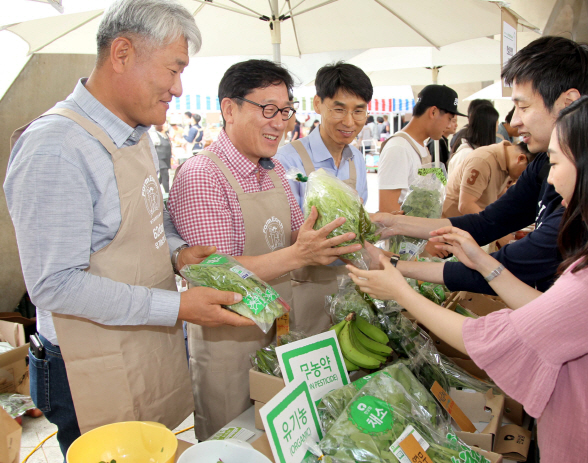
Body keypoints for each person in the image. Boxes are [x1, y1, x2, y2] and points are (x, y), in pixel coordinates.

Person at [350, 92, 588, 463]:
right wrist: (485, 265)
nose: (550, 177)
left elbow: (486, 339)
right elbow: (548, 311)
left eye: (555, 162)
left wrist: (401, 291)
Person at [3, 0, 255, 457]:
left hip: (142, 343)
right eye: (173, 69)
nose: (179, 89)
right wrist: (176, 305)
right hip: (85, 367)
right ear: (122, 54)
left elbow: (143, 222)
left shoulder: (134, 134)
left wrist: (176, 252)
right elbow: (54, 285)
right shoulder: (55, 148)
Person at [167, 59, 361, 440]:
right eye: (267, 109)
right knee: (237, 444)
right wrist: (299, 255)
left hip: (279, 336)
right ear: (229, 109)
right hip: (230, 346)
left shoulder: (271, 169)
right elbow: (217, 274)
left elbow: (293, 234)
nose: (280, 122)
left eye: (285, 111)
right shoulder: (202, 175)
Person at [371, 36, 588, 294]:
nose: (514, 122)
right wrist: (391, 224)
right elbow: (487, 223)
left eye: (523, 106)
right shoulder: (543, 165)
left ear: (569, 102)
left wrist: (392, 264)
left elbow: (499, 270)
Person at [275, 62, 372, 335]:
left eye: (359, 111)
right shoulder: (288, 160)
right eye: (339, 109)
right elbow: (281, 236)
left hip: (350, 286)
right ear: (318, 104)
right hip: (304, 289)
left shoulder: (357, 161)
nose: (349, 122)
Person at [377, 84, 465, 213]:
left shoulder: (421, 146)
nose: (448, 125)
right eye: (449, 119)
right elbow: (387, 209)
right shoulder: (399, 148)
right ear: (433, 112)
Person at [443, 141, 533, 217]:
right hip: (451, 222)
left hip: (471, 224)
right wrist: (497, 229)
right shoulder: (482, 161)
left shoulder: (506, 164)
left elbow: (501, 199)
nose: (522, 178)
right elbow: (465, 206)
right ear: (521, 159)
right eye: (526, 173)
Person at [447, 104, 499, 172]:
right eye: (497, 124)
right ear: (489, 128)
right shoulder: (467, 154)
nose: (497, 129)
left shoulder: (476, 151)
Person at [151, 123, 173, 192]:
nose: (166, 126)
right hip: (160, 158)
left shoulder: (166, 135)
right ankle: (167, 193)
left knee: (161, 178)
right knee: (165, 175)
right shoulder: (155, 135)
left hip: (167, 158)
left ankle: (155, 190)